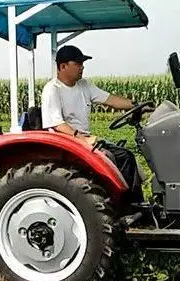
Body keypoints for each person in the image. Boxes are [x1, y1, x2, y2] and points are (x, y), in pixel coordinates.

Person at [41, 45, 146, 205]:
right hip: (68, 141)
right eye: (78, 63)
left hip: (83, 139)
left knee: (125, 156)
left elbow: (110, 99)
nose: (82, 67)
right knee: (113, 158)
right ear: (62, 66)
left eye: (82, 63)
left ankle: (134, 204)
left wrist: (137, 105)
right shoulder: (52, 89)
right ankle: (122, 206)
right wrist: (81, 137)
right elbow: (57, 124)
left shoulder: (84, 85)